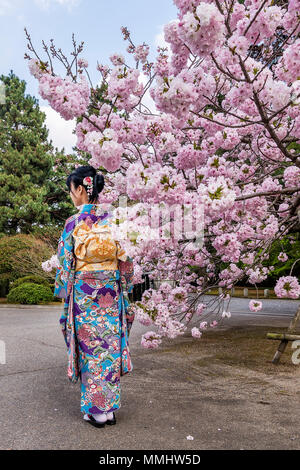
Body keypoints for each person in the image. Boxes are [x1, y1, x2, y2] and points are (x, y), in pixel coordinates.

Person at [53, 165, 135, 428]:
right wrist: (124, 285)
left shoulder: (73, 223)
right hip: (110, 291)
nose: (71, 196)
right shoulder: (114, 221)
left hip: (85, 296)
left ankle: (97, 411)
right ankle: (108, 410)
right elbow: (127, 261)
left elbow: (65, 263)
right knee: (108, 347)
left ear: (80, 189)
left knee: (91, 349)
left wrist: (63, 291)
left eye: (71, 191)